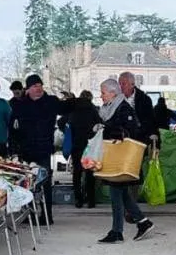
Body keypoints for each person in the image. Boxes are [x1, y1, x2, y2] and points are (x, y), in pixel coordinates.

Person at [97, 77, 154, 244]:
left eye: (103, 92)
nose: (101, 96)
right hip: (115, 157)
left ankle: (117, 231)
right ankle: (142, 222)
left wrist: (108, 130)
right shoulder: (110, 108)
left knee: (117, 193)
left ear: (113, 93)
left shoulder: (123, 109)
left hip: (121, 158)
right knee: (121, 193)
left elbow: (130, 131)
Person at [14, 73, 65, 222]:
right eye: (35, 86)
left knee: (45, 182)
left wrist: (82, 103)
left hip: (44, 148)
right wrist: (14, 148)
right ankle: (28, 214)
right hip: (26, 150)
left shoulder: (50, 101)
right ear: (28, 89)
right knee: (26, 182)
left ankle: (47, 215)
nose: (38, 88)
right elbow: (13, 128)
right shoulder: (20, 105)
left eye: (40, 85)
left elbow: (66, 108)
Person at [65, 89, 99, 208]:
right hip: (89, 145)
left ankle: (78, 200)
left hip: (76, 145)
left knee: (77, 173)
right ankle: (91, 200)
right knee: (90, 173)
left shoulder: (73, 110)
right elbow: (99, 124)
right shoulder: (93, 110)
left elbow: (62, 122)